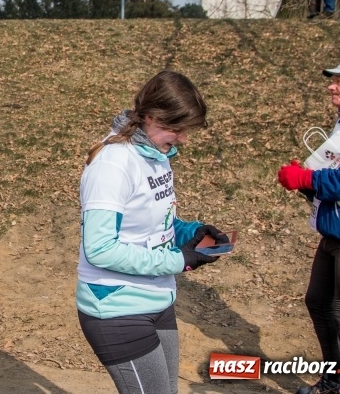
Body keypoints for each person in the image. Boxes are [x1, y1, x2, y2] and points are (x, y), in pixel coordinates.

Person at [76, 70, 228, 394]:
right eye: (177, 128)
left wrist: (193, 232)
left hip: (157, 298)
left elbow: (157, 222)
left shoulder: (157, 154)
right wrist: (179, 261)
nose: (183, 138)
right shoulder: (113, 162)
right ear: (150, 116)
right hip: (116, 307)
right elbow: (100, 248)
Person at [277, 59, 340, 394]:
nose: (331, 86)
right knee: (318, 302)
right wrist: (306, 182)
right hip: (335, 231)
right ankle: (332, 380)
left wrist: (306, 177)